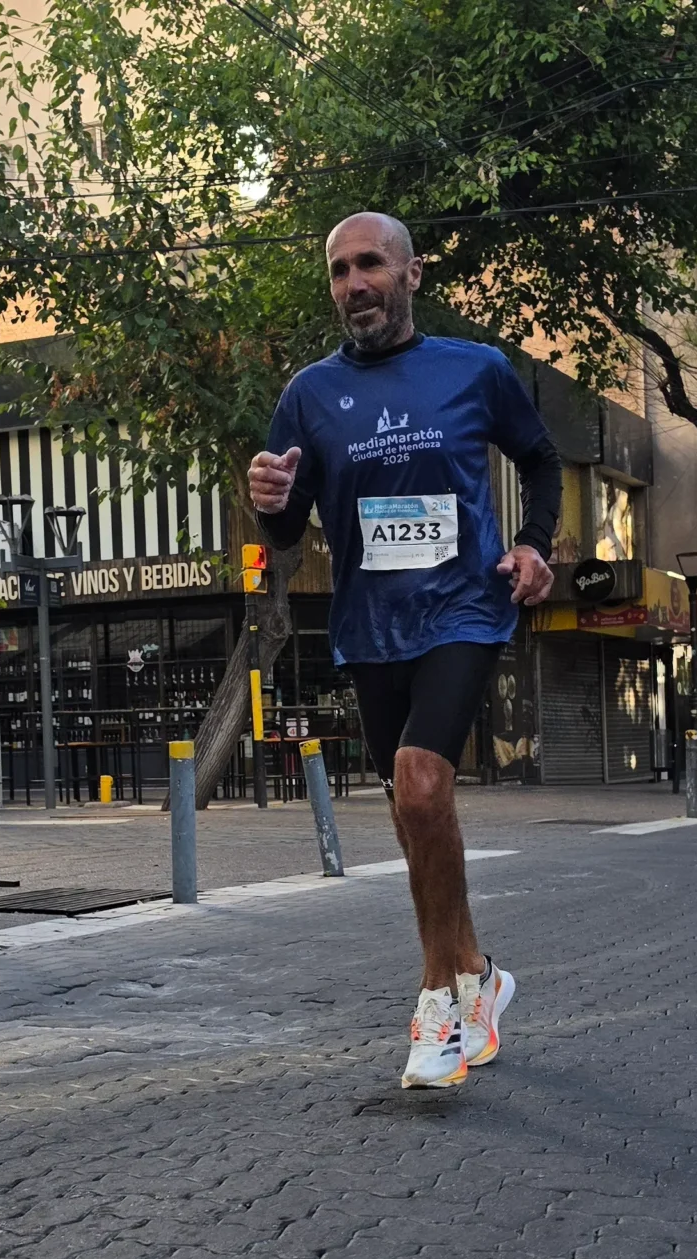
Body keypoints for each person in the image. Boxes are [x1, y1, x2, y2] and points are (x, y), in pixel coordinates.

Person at [249, 213, 559, 1090]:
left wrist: (533, 545)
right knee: (415, 810)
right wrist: (267, 499)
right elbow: (284, 528)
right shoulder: (309, 393)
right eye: (339, 270)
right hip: (370, 625)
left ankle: (436, 1006)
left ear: (412, 273)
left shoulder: (475, 368)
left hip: (464, 609)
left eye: (370, 264)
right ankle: (478, 972)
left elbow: (541, 461)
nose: (355, 283)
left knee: (422, 783)